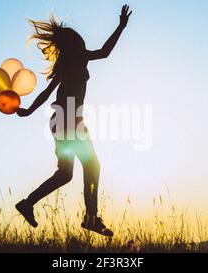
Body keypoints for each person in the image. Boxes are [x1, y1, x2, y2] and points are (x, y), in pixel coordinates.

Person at [15, 5, 132, 237]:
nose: (83, 43)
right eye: (80, 41)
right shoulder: (77, 60)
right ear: (75, 45)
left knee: (65, 174)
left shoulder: (69, 63)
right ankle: (91, 218)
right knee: (92, 165)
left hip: (61, 120)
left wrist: (29, 111)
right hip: (69, 118)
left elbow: (47, 93)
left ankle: (28, 203)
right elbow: (105, 52)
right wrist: (120, 27)